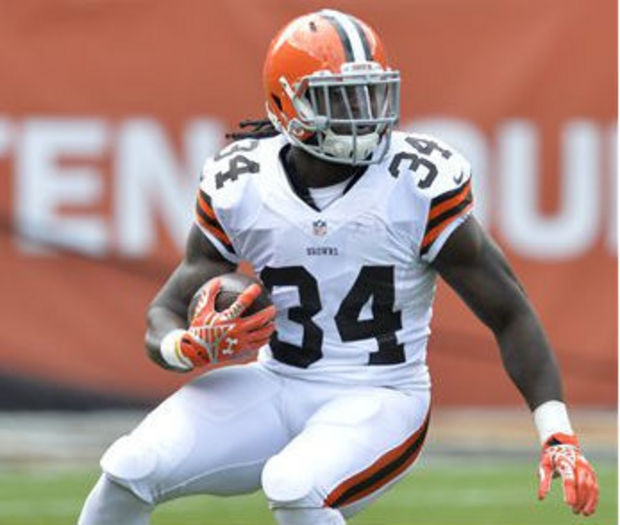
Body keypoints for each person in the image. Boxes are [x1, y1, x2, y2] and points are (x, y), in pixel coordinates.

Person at [77, 8, 599, 525]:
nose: (362, 111)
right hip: (276, 383)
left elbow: (510, 312)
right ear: (286, 103)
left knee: (295, 485)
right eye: (339, 97)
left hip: (382, 396)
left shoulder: (416, 183)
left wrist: (557, 434)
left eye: (371, 92)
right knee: (128, 466)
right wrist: (185, 347)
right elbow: (165, 311)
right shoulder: (242, 183)